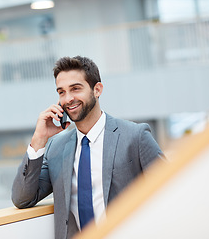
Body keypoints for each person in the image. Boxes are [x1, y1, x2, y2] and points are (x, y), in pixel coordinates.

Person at [11, 56, 165, 239]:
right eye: (61, 92)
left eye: (75, 89)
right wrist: (39, 139)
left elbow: (172, 191)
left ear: (97, 89)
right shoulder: (57, 147)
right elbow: (22, 198)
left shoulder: (135, 136)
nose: (68, 99)